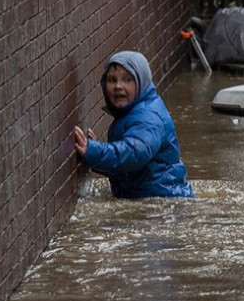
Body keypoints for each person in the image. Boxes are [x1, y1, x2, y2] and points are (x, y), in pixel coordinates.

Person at [72, 51, 194, 198]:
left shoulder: (148, 116)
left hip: (163, 200)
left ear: (141, 82)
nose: (118, 86)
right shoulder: (130, 112)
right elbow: (127, 169)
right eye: (112, 80)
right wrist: (95, 156)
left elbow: (134, 154)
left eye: (127, 80)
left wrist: (93, 150)